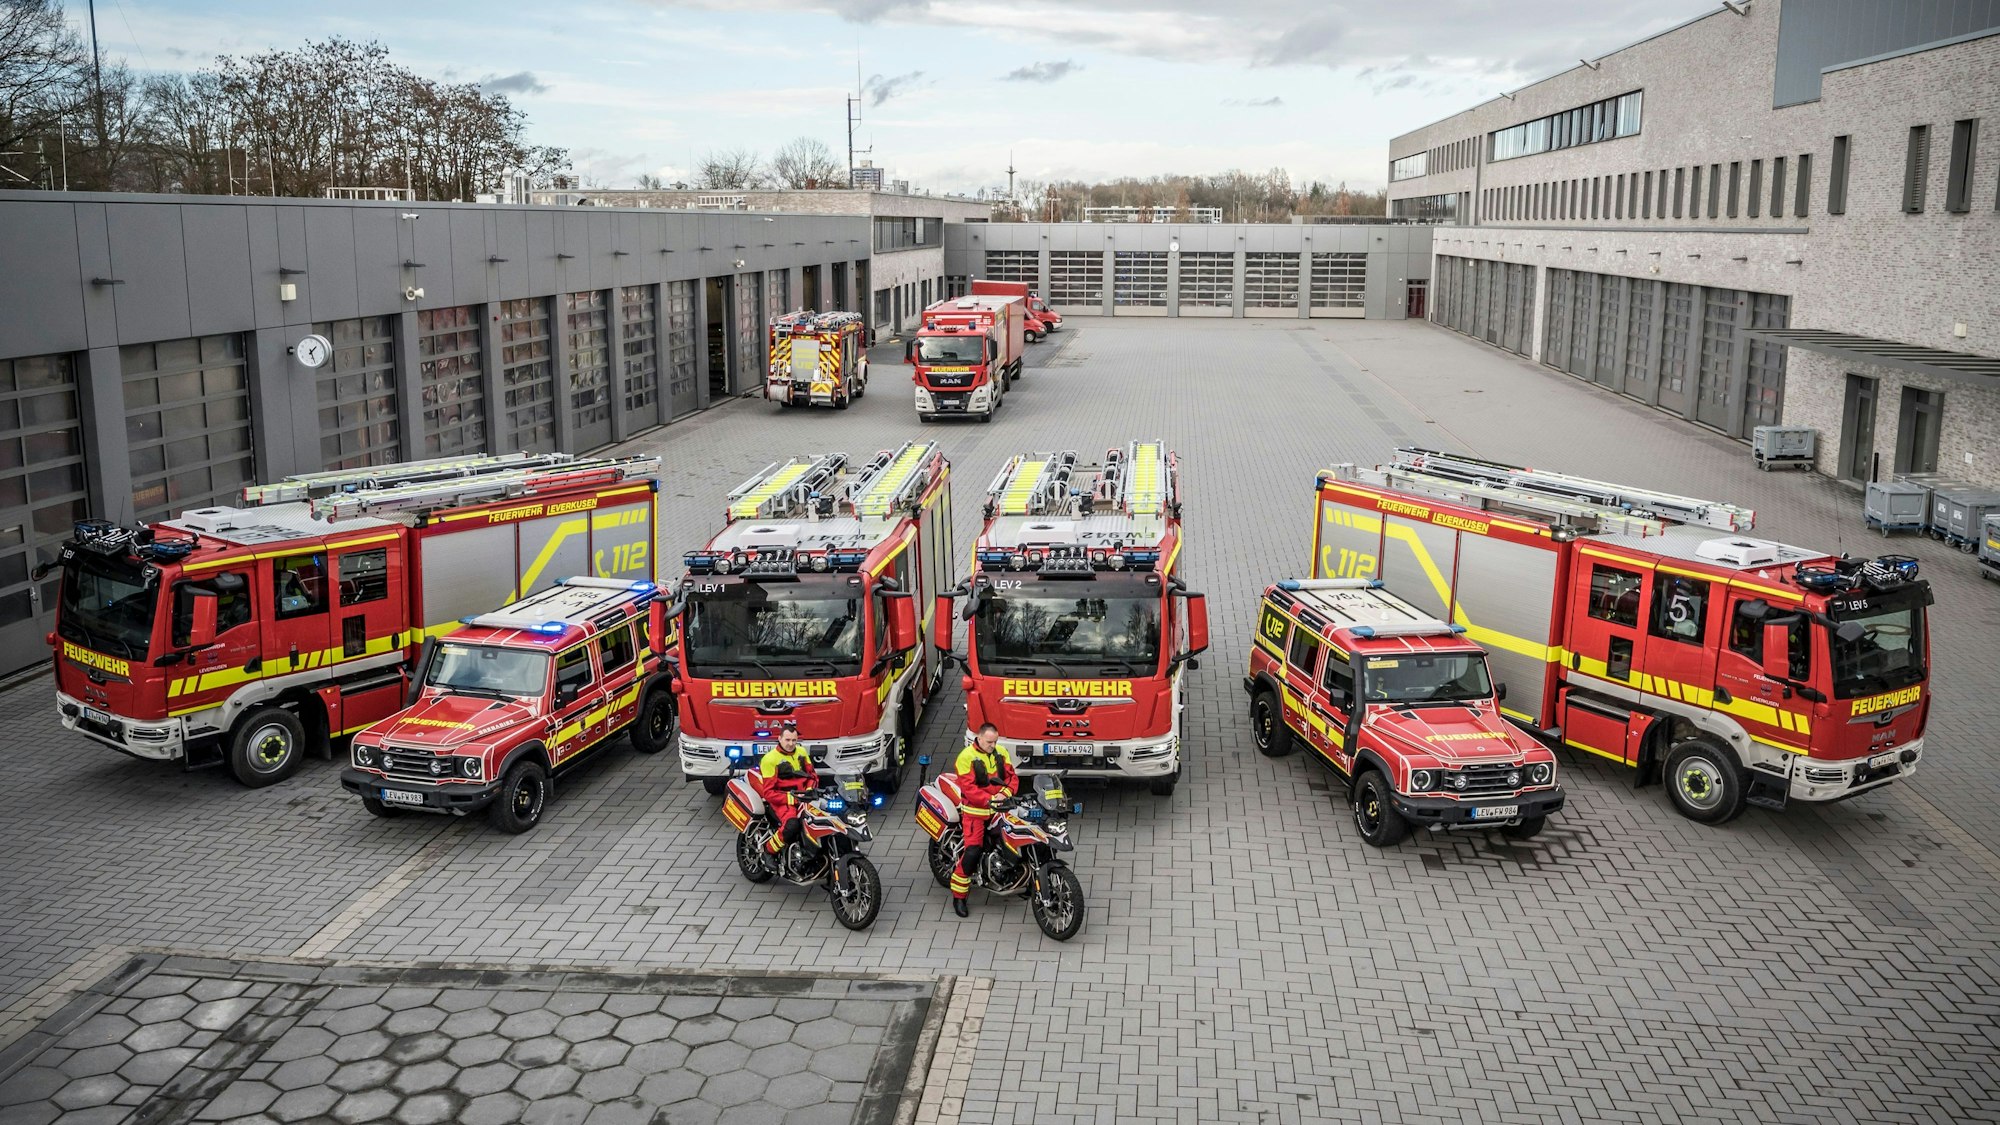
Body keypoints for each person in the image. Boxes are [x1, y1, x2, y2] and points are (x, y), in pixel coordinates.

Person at [949, 722, 1019, 918]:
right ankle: (959, 896)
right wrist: (989, 800)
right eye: (989, 742)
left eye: (995, 741)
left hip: (1000, 808)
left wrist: (1004, 794)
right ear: (978, 738)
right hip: (975, 812)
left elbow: (1013, 778)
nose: (993, 745)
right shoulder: (966, 757)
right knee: (973, 850)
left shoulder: (1001, 751)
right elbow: (969, 789)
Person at [753, 723, 819, 862]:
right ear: (780, 738)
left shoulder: (801, 752)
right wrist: (793, 799)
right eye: (787, 740)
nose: (790, 744)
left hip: (805, 797)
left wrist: (809, 790)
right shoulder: (770, 759)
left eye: (794, 740)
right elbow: (769, 793)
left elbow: (812, 776)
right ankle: (768, 851)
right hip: (782, 801)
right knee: (792, 825)